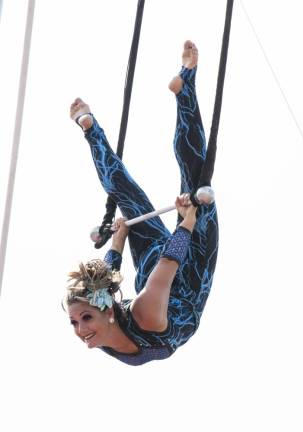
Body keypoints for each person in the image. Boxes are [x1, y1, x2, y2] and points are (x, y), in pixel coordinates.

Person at [65, 41, 219, 366]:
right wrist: (184, 221)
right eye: (79, 321)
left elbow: (160, 271)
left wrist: (121, 240)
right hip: (177, 275)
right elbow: (163, 270)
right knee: (177, 189)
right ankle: (183, 89)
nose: (80, 330)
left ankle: (183, 89)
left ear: (105, 310)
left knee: (188, 184)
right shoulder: (131, 321)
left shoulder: (135, 316)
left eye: (82, 320)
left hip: (172, 269)